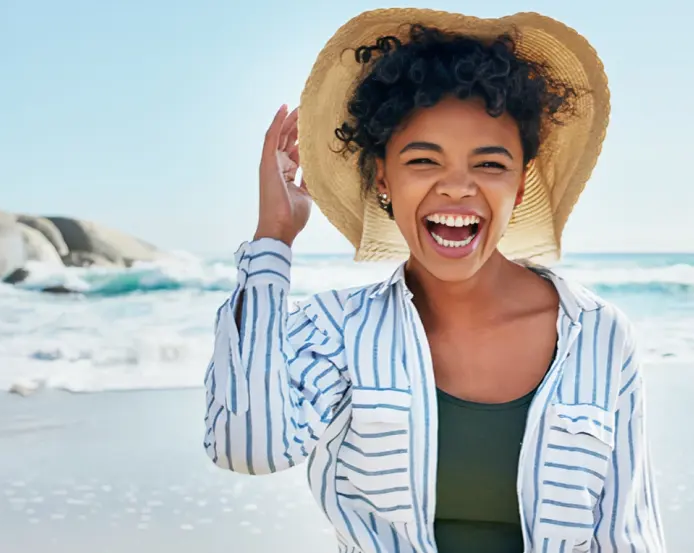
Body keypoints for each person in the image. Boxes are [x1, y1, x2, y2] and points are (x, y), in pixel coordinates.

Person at [203, 8, 665, 553]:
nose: (456, 188)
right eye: (424, 160)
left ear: (519, 186)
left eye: (490, 165)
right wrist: (273, 239)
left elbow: (628, 537)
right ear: (384, 178)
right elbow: (247, 445)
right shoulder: (338, 331)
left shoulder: (600, 336)